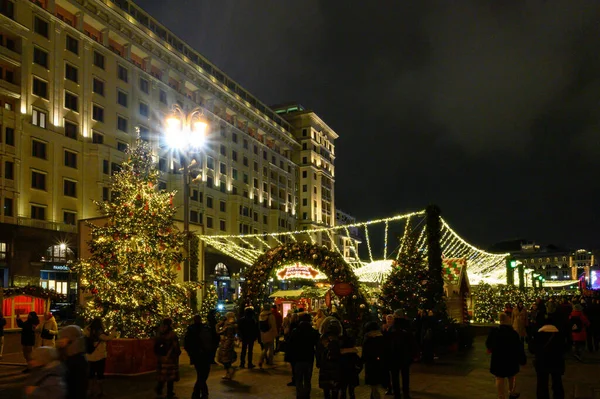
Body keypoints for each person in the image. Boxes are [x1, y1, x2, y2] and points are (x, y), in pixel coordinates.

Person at [486, 313, 526, 399]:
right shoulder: (513, 333)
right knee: (511, 376)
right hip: (511, 359)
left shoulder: (494, 332)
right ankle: (511, 392)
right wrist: (522, 359)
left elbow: (488, 344)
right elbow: (518, 347)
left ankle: (501, 396)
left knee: (499, 378)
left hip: (498, 359)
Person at [531, 317, 567, 399]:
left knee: (542, 383)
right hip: (557, 362)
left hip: (542, 362)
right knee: (557, 382)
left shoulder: (538, 335)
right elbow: (565, 348)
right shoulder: (559, 335)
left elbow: (532, 349)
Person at [288, 312, 320, 399]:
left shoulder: (295, 331)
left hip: (297, 358)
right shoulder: (313, 332)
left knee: (298, 379)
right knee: (307, 379)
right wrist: (318, 359)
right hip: (309, 358)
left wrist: (290, 358)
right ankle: (306, 395)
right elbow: (317, 346)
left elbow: (290, 345)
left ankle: (299, 395)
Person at [84, 317, 117, 398]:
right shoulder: (99, 333)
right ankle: (100, 391)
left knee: (91, 375)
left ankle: (90, 391)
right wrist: (114, 331)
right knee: (100, 375)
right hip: (99, 356)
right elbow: (108, 338)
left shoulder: (87, 330)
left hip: (89, 357)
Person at [386, 309, 416, 399]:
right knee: (405, 375)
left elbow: (388, 342)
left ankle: (397, 394)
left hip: (394, 355)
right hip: (405, 355)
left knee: (395, 376)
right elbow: (412, 341)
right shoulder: (407, 326)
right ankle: (406, 393)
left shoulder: (392, 327)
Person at [185, 315, 215, 399]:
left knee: (201, 374)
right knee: (203, 374)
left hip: (199, 355)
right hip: (202, 355)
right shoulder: (203, 329)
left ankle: (197, 392)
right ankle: (202, 393)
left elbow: (187, 344)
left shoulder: (195, 329)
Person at [57, 325, 88, 399]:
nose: (60, 340)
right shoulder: (66, 354)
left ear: (72, 339)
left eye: (64, 337)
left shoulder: (78, 359)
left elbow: (78, 387)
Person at [154, 318, 181, 399]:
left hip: (161, 357)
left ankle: (160, 387)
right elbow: (175, 346)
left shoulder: (160, 333)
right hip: (169, 358)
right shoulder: (172, 334)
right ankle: (169, 392)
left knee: (162, 374)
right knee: (170, 376)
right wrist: (176, 353)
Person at [316, 317, 342, 399]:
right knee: (335, 389)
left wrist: (319, 362)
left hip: (325, 367)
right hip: (336, 367)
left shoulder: (323, 339)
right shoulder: (340, 339)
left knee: (326, 389)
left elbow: (318, 352)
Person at [362, 321, 389, 399]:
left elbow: (365, 353)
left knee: (374, 386)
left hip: (371, 365)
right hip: (381, 364)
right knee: (377, 385)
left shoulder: (368, 339)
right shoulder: (382, 337)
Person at [339, 328, 361, 399]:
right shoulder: (354, 355)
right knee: (351, 391)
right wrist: (357, 371)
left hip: (342, 374)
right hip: (352, 374)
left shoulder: (340, 355)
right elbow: (359, 364)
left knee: (343, 391)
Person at [217, 311, 238, 380]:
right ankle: (228, 372)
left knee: (224, 357)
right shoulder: (233, 324)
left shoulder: (228, 325)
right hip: (229, 341)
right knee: (227, 357)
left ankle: (229, 371)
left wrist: (217, 327)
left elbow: (221, 332)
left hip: (227, 342)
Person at [258, 303, 277, 368]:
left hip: (263, 334)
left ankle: (261, 360)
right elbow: (273, 326)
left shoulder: (260, 315)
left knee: (265, 348)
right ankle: (270, 362)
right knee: (271, 348)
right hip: (270, 333)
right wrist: (275, 334)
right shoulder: (271, 315)